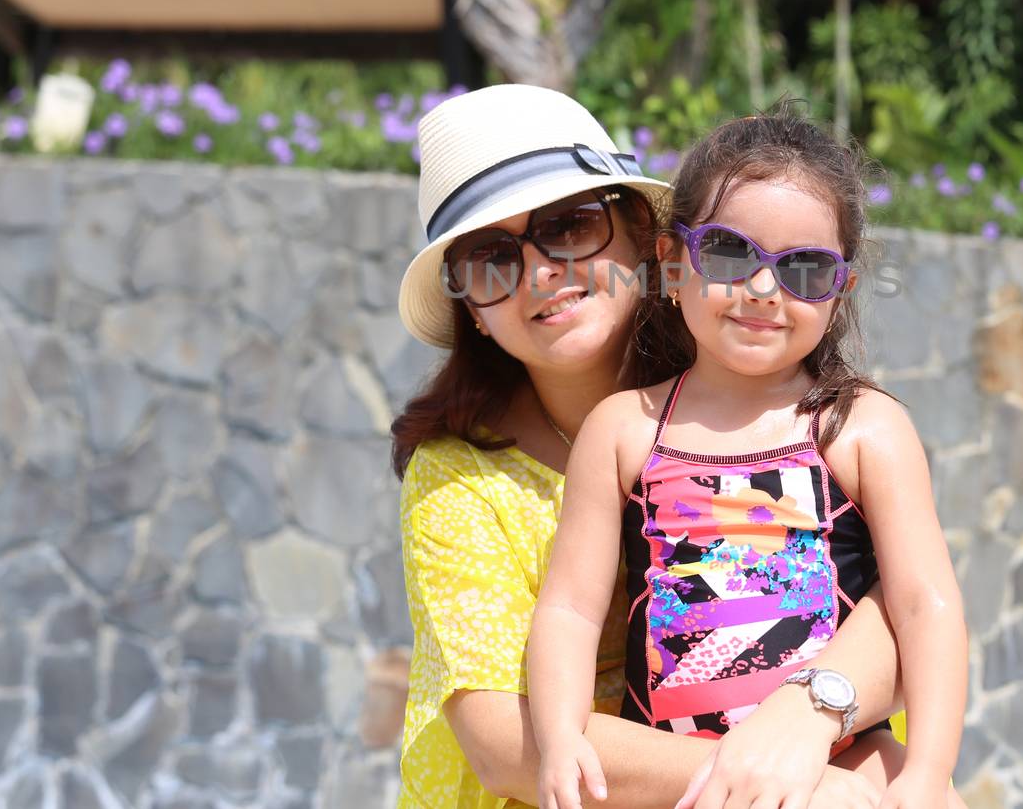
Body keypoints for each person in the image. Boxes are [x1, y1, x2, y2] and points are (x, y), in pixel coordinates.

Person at [391, 86, 923, 809]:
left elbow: (910, 602)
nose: (542, 269)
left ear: (644, 236)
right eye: (490, 256)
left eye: (569, 225)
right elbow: (502, 744)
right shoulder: (457, 478)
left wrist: (810, 713)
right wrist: (806, 781)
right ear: (471, 310)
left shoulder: (749, 390)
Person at [527, 111, 968, 809]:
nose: (765, 289)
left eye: (805, 268)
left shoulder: (857, 428)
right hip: (681, 775)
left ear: (839, 292)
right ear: (674, 264)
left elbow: (926, 605)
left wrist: (929, 772)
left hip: (848, 760)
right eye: (731, 254)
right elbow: (572, 610)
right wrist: (558, 736)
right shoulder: (625, 430)